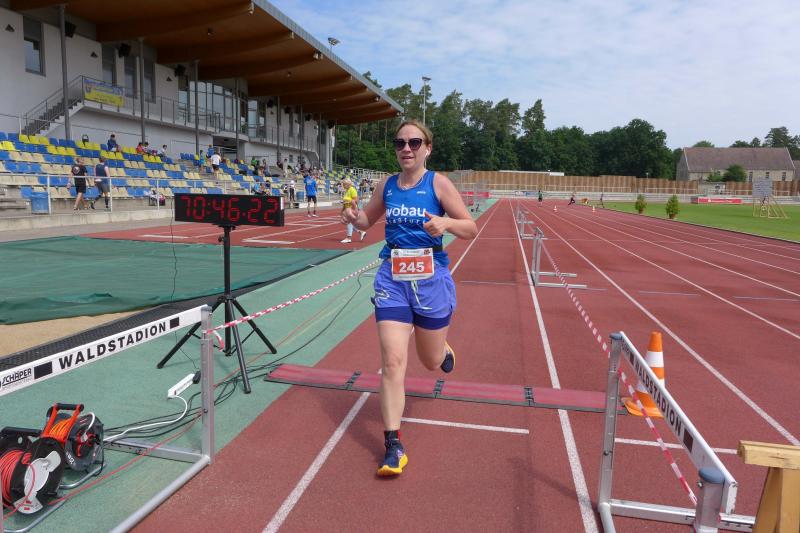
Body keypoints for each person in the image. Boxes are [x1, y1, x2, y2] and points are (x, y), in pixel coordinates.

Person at [342, 120, 477, 476]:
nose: (406, 148)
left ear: (427, 148)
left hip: (431, 279)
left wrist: (447, 224)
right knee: (392, 361)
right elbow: (366, 221)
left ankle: (442, 350)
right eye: (400, 142)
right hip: (393, 278)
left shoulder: (439, 184)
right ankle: (393, 445)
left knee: (430, 361)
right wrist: (354, 217)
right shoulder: (386, 185)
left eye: (414, 143)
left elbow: (470, 227)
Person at [339, 178, 365, 243]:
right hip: (347, 209)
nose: (343, 186)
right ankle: (361, 232)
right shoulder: (347, 190)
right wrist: (342, 210)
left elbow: (356, 200)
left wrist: (348, 201)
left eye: (344, 184)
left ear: (348, 184)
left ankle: (349, 238)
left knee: (349, 222)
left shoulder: (352, 190)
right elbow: (345, 201)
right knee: (350, 223)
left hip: (352, 209)